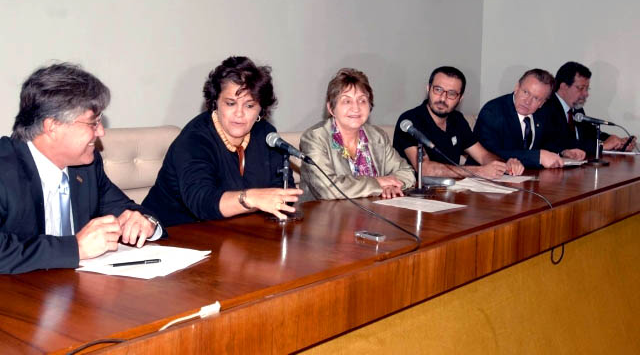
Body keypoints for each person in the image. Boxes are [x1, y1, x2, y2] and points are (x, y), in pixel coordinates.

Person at [0, 63, 163, 274]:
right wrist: (74, 248)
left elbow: (123, 208)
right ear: (53, 126)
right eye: (93, 123)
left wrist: (145, 223)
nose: (102, 132)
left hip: (73, 292)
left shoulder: (85, 164)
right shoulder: (5, 169)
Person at [142, 56, 302, 225]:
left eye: (249, 105)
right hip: (173, 235)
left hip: (235, 234)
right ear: (215, 102)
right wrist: (250, 198)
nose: (239, 114)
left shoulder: (266, 135)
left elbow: (284, 192)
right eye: (231, 103)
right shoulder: (194, 140)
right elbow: (202, 202)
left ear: (261, 109)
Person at [299, 68, 415, 201]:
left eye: (362, 100)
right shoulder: (314, 138)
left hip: (374, 215)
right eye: (346, 101)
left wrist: (392, 186)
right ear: (331, 108)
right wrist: (377, 184)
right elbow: (328, 188)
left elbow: (407, 172)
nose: (356, 108)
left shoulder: (377, 136)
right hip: (326, 217)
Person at [393, 66, 524, 179]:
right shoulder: (410, 121)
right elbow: (425, 169)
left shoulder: (457, 119)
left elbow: (483, 156)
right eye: (438, 90)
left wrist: (503, 165)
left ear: (460, 98)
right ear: (428, 89)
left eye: (451, 93)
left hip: (452, 192)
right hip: (416, 195)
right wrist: (479, 171)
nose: (443, 98)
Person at [474, 69, 586, 169]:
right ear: (517, 88)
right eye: (526, 92)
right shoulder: (493, 111)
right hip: (486, 179)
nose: (527, 101)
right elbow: (490, 153)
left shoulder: (542, 113)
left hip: (526, 179)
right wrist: (538, 157)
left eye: (536, 98)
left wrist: (563, 151)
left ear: (543, 103)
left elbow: (548, 142)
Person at [540, 61, 636, 156]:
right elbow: (559, 143)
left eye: (587, 89)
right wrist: (601, 145)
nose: (586, 94)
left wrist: (618, 142)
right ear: (564, 86)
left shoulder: (576, 109)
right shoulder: (546, 107)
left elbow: (591, 134)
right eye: (581, 88)